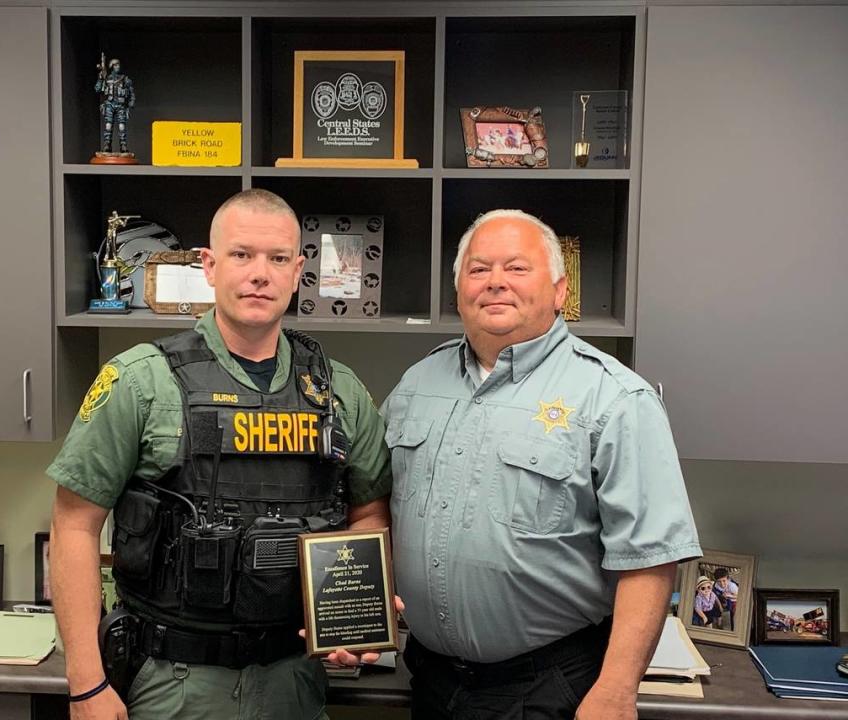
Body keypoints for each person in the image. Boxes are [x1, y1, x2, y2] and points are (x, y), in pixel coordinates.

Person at [47, 189, 392, 720]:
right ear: (208, 266)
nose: (260, 273)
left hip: (293, 680)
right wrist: (86, 682)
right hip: (172, 682)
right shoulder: (140, 380)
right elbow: (74, 525)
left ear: (298, 270)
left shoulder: (338, 391)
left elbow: (368, 513)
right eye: (241, 255)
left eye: (278, 259)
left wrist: (348, 619)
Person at [382, 209, 701, 720]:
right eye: (479, 269)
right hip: (432, 679)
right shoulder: (415, 386)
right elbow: (378, 509)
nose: (495, 283)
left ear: (558, 289)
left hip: (551, 687)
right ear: (459, 287)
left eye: (517, 268)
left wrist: (617, 689)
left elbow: (650, 559)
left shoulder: (615, 399)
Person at [95, 57, 135, 155]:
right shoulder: (107, 78)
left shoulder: (124, 79)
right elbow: (98, 89)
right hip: (109, 104)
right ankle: (107, 144)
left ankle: (123, 145)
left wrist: (131, 102)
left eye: (118, 64)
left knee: (122, 126)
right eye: (116, 65)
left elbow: (131, 91)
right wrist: (100, 79)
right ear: (112, 66)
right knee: (108, 125)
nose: (118, 66)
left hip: (121, 105)